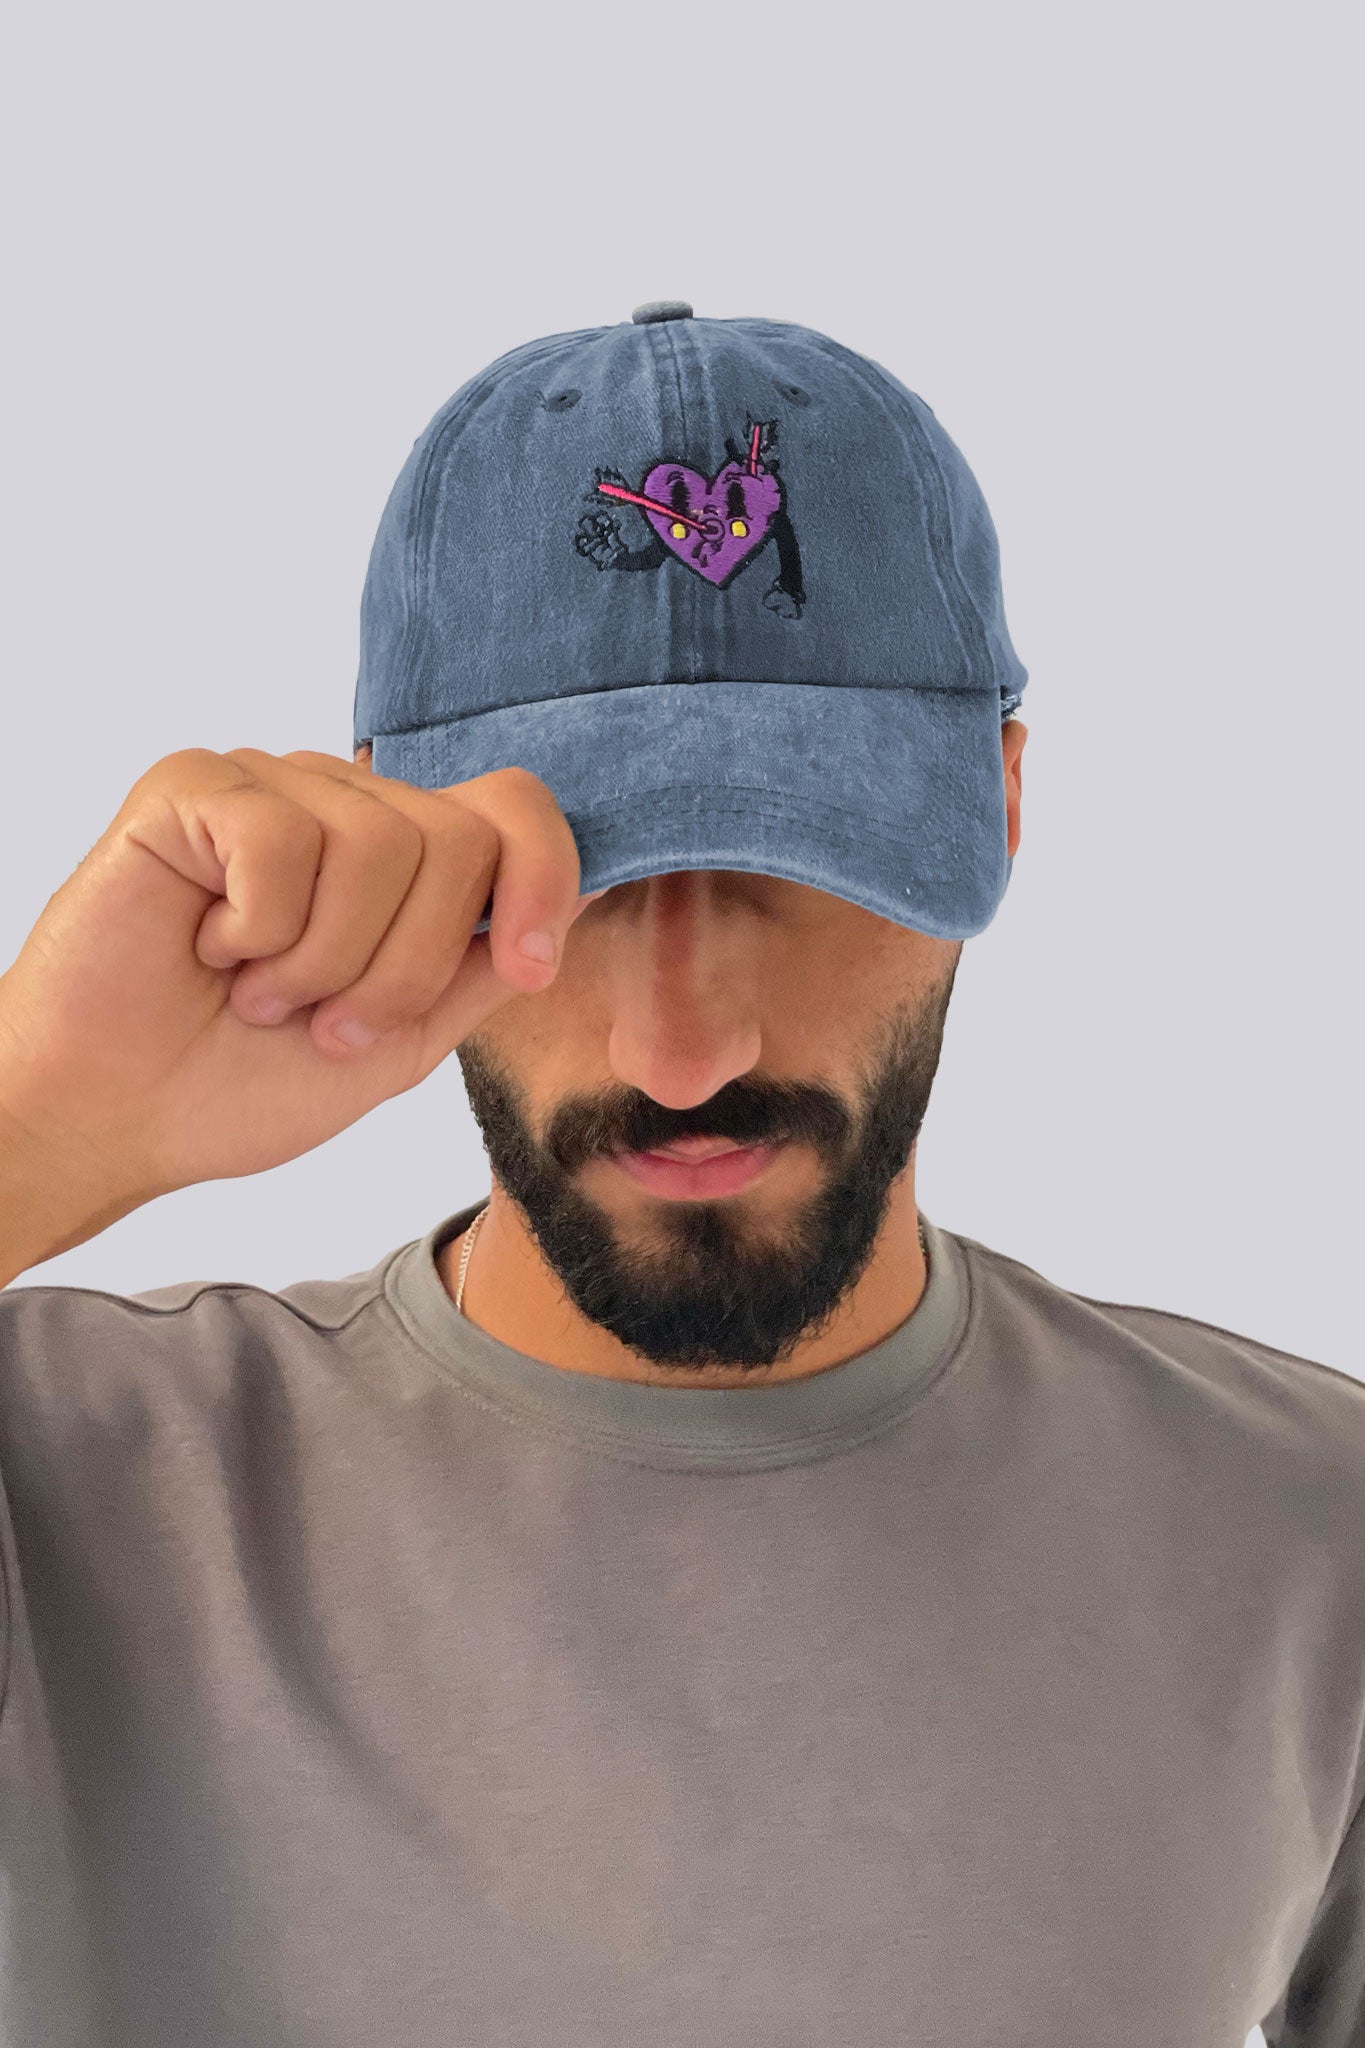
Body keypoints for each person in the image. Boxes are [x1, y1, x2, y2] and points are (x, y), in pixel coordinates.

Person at [0, 305, 1358, 2047]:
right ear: (375, 837)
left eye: (802, 857)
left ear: (1000, 805)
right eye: (575, 881)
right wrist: (40, 1122)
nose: (681, 1048)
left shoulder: (1315, 1537)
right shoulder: (69, 1484)